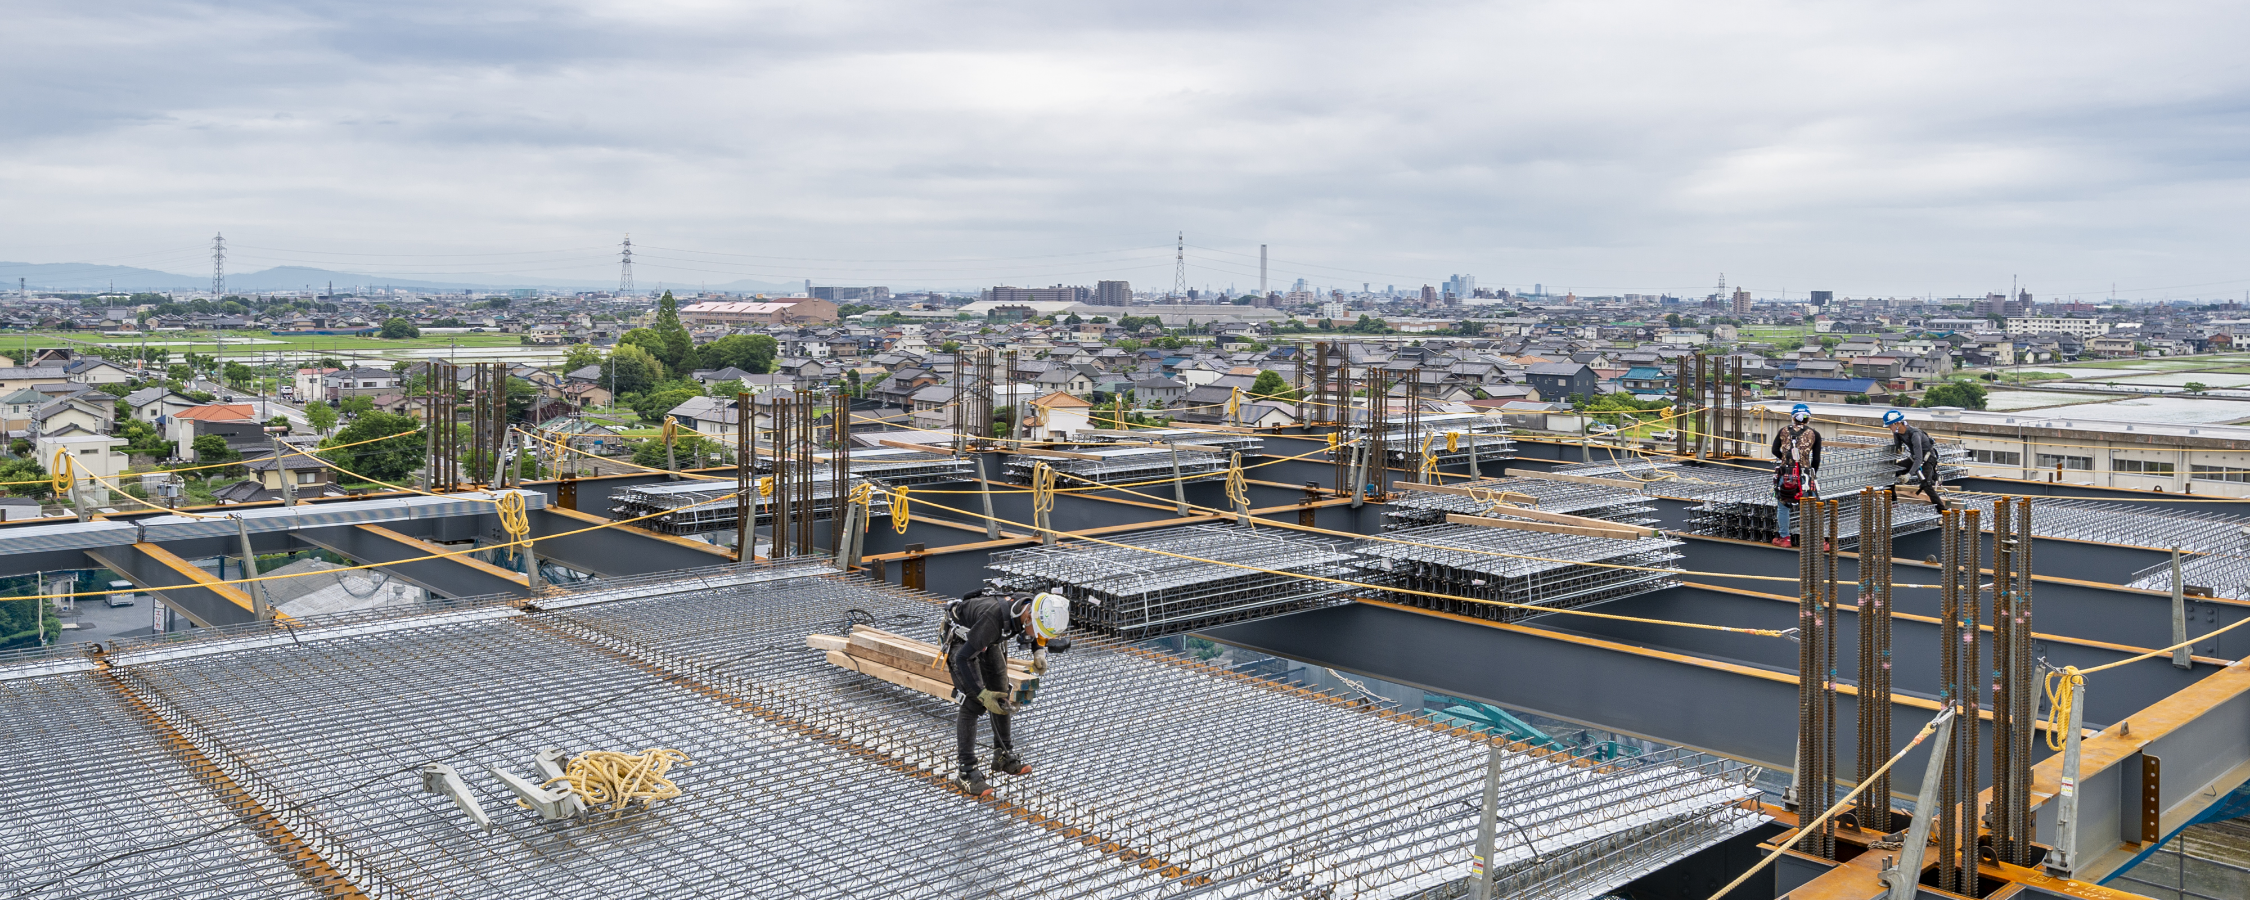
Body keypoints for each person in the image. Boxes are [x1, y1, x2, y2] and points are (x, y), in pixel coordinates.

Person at [942, 588, 1068, 799]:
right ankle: (966, 772)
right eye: (1036, 632)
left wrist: (1038, 651)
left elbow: (1037, 629)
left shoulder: (1031, 605)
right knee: (973, 702)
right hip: (961, 641)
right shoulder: (994, 620)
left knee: (1001, 691)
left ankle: (1002, 754)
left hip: (984, 638)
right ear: (1028, 617)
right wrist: (981, 694)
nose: (1036, 636)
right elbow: (963, 658)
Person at [1771, 404, 1822, 548]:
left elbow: (1774, 449)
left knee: (1783, 506)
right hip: (1805, 474)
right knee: (1808, 507)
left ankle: (1785, 537)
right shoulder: (1814, 434)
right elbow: (1816, 459)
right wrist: (1812, 474)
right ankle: (1810, 539)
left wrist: (1785, 459)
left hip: (1785, 473)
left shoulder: (1783, 431)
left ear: (1793, 417)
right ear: (1808, 418)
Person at [1886, 409, 1949, 511]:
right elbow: (1897, 447)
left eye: (1890, 426)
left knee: (1926, 485)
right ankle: (1893, 502)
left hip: (1927, 459)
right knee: (1891, 472)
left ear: (1897, 423)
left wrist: (1909, 474)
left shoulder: (1915, 434)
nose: (1889, 428)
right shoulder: (1897, 433)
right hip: (1915, 458)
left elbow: (1919, 458)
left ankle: (1943, 512)